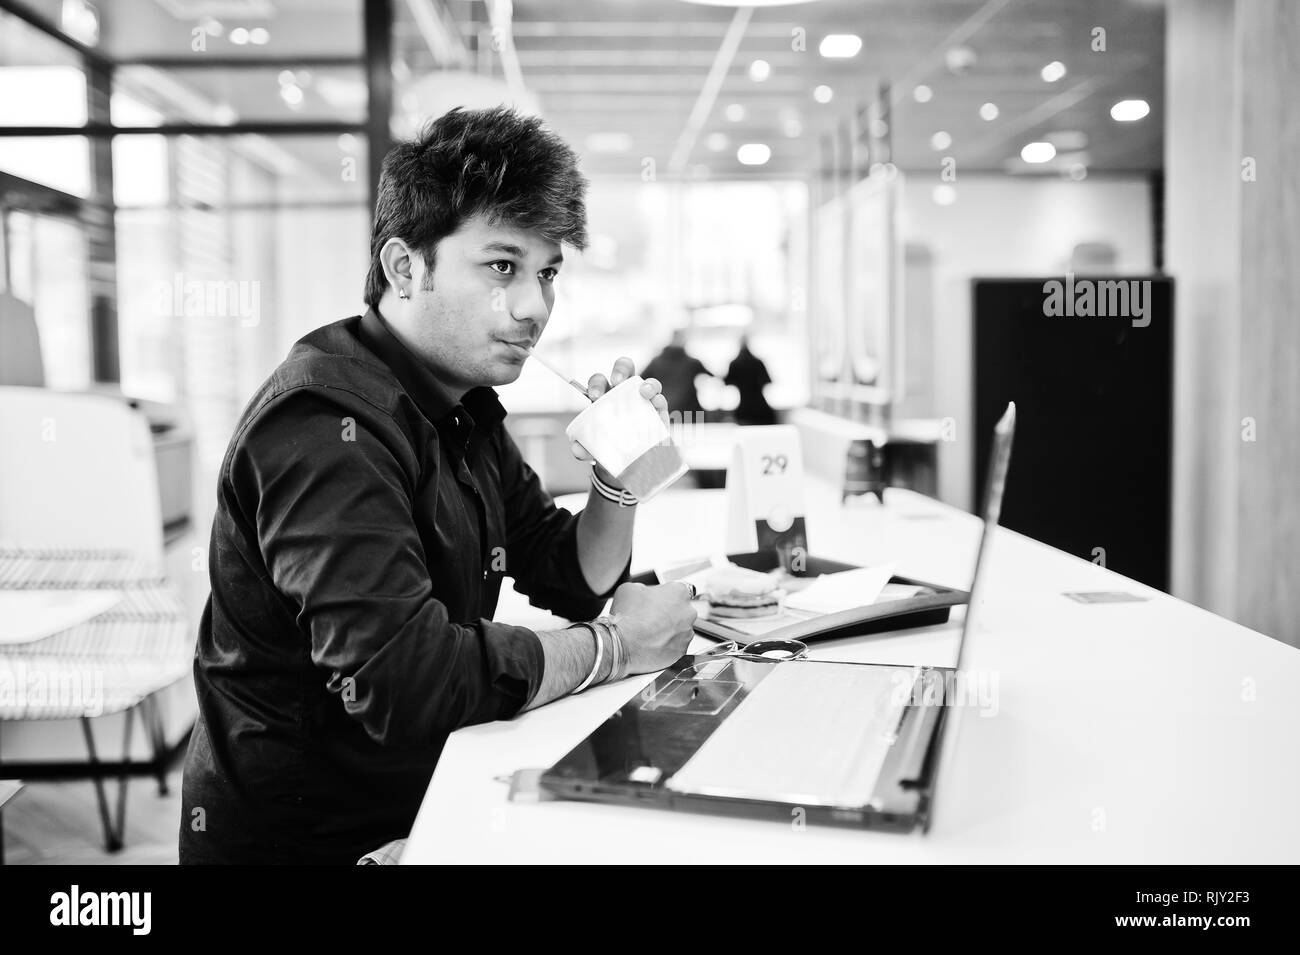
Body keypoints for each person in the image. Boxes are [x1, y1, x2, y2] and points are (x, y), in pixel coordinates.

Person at [179, 106, 697, 865]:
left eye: (546, 272)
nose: (533, 308)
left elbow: (570, 572)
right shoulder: (324, 423)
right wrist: (620, 646)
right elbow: (409, 685)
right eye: (501, 266)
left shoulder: (462, 405)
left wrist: (617, 486)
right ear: (403, 267)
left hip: (422, 802)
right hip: (311, 842)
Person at [642, 329, 713, 420]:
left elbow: (641, 379)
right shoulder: (692, 363)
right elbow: (712, 375)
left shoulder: (656, 362)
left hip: (664, 408)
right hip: (689, 411)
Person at [724, 335, 776, 426]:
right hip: (761, 409)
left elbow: (727, 382)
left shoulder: (735, 364)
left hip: (744, 410)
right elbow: (767, 381)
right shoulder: (757, 362)